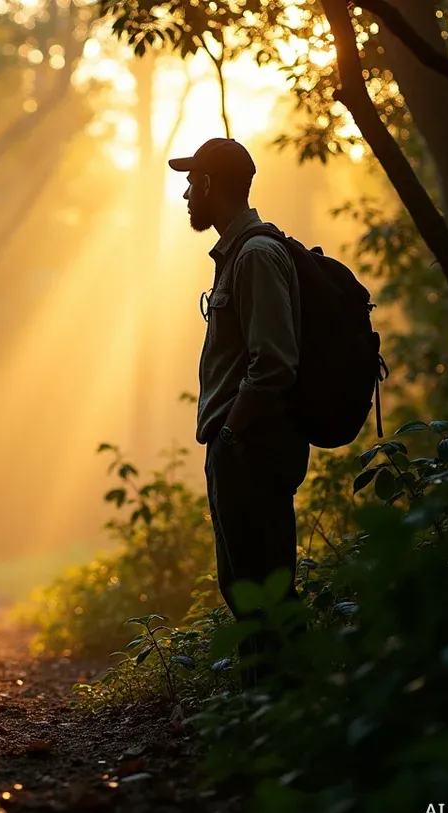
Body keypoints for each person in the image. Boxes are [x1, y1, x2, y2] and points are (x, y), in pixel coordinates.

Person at [169, 137, 310, 689]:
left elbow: (273, 362)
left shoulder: (254, 256)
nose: (185, 192)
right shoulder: (240, 254)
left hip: (253, 447)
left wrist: (231, 432)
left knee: (266, 589)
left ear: (207, 184)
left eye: (191, 181)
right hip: (241, 446)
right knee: (246, 587)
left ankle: (287, 715)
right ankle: (263, 714)